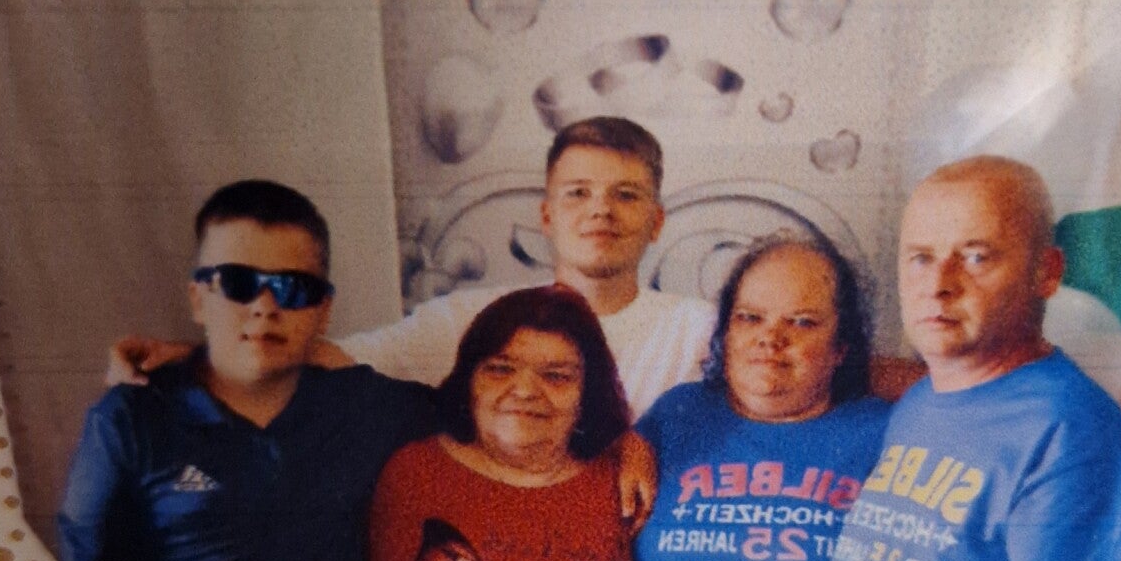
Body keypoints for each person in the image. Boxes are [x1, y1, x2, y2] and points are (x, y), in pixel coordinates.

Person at [109, 117, 715, 423]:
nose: (601, 210)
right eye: (578, 193)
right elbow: (333, 360)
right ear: (547, 216)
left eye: (626, 195)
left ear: (657, 221)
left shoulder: (704, 329)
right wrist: (199, 358)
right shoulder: (471, 319)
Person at [56, 180, 437, 561]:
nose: (264, 306)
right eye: (238, 283)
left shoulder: (371, 407)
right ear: (199, 299)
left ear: (323, 310)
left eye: (293, 289)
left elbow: (491, 410)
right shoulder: (129, 420)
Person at [812, 156, 1121, 561]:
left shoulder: (1074, 438)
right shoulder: (921, 401)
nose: (939, 285)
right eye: (921, 258)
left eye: (976, 257)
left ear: (1046, 272)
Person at [631, 235, 890, 561]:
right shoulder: (676, 414)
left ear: (841, 347)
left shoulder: (884, 432)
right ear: (726, 333)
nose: (770, 338)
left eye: (802, 322)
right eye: (750, 318)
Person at [368, 286, 644, 561]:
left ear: (587, 394)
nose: (525, 390)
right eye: (500, 369)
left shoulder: (624, 479)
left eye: (556, 376)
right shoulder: (416, 473)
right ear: (469, 382)